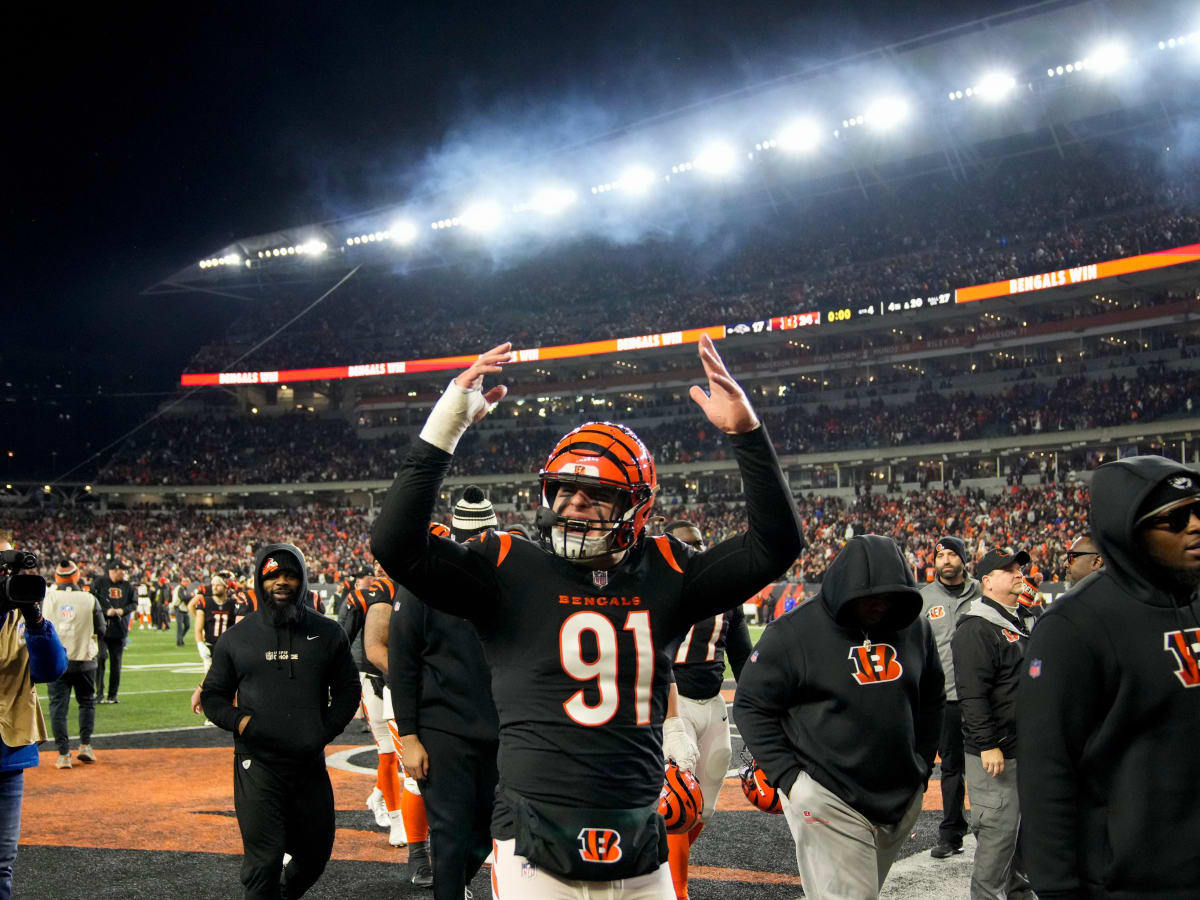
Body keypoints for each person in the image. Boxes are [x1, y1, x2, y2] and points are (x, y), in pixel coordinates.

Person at [370, 336, 802, 898]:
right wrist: (449, 420)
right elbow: (396, 544)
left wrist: (748, 436)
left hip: (638, 826)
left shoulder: (667, 569)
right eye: (564, 490)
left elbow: (775, 544)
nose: (574, 503)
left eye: (595, 493)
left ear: (636, 505)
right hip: (534, 835)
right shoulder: (507, 565)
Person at [1018, 459, 1200, 898]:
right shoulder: (1074, 625)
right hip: (1127, 883)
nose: (1195, 526)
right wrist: (1059, 889)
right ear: (1129, 530)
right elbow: (1046, 771)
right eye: (1174, 519)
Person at [734, 534, 944, 900]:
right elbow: (751, 704)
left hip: (900, 795)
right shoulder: (792, 633)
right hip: (828, 794)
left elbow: (932, 697)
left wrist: (922, 766)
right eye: (869, 597)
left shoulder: (914, 627)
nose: (879, 607)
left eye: (888, 596)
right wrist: (792, 780)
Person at [200, 544, 359, 900]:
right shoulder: (237, 638)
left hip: (308, 765)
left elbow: (349, 690)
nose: (281, 582)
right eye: (272, 575)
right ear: (260, 581)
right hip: (258, 765)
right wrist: (242, 724)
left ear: (302, 581)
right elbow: (213, 696)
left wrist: (325, 730)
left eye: (290, 575)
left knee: (315, 855)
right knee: (263, 862)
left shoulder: (327, 633)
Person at [390, 487, 502, 900]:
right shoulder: (424, 583)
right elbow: (403, 663)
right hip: (443, 731)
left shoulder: (507, 579)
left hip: (499, 728)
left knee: (493, 826)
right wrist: (411, 736)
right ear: (455, 536)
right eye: (471, 537)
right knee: (451, 832)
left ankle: (454, 886)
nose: (477, 544)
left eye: (484, 535)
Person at [660, 520, 752, 900]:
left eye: (699, 543)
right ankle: (677, 890)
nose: (696, 550)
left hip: (713, 703)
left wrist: (759, 705)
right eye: (686, 544)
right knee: (678, 797)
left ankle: (658, 862)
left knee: (704, 806)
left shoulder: (725, 594)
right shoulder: (661, 590)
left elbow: (743, 657)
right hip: (673, 701)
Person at [952, 547, 1037, 900]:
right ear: (987, 581)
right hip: (996, 753)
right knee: (997, 841)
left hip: (1023, 749)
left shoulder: (1021, 619)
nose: (1019, 573)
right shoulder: (976, 628)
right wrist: (988, 744)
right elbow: (972, 695)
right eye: (1009, 570)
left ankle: (1019, 895)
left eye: (1019, 568)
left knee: (1021, 840)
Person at [0, 528, 67, 900]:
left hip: (7, 755)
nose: (6, 574)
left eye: (8, 564)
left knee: (1, 864)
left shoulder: (20, 619)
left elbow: (51, 670)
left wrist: (37, 620)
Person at [363, 558, 434, 887]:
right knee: (415, 773)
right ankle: (418, 853)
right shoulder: (389, 588)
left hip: (454, 694)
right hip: (406, 693)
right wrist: (411, 679)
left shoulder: (453, 582)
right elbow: (375, 646)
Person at [337, 566, 410, 849]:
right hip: (376, 677)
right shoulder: (366, 596)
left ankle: (380, 794)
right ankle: (396, 818)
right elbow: (341, 638)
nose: (380, 566)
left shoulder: (427, 585)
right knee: (389, 752)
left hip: (417, 676)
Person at [918, 536, 980, 859]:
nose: (945, 560)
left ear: (964, 559)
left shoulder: (983, 593)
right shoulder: (924, 598)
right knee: (952, 769)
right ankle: (952, 833)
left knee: (989, 766)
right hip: (947, 699)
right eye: (940, 555)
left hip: (982, 696)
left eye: (952, 554)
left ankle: (992, 833)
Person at [42, 559, 106, 768]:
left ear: (57, 577)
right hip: (85, 660)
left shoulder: (48, 598)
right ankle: (85, 746)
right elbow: (101, 629)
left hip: (56, 662)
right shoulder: (89, 599)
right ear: (77, 576)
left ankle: (63, 755)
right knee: (87, 702)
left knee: (58, 708)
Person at [90, 557, 137, 704]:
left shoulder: (128, 587)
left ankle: (113, 694)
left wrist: (122, 610)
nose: (124, 573)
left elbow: (134, 603)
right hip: (101, 628)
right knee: (101, 658)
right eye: (122, 570)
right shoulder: (99, 583)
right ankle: (99, 693)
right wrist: (105, 611)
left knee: (116, 663)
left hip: (119, 628)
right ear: (114, 570)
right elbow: (91, 600)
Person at [193, 573, 238, 674]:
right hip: (211, 646)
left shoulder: (233, 604)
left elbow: (238, 627)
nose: (215, 587)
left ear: (225, 587)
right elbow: (198, 628)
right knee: (211, 683)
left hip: (228, 648)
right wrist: (200, 644)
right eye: (213, 585)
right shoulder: (205, 602)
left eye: (218, 584)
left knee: (230, 682)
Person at [172, 575, 193, 646]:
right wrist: (190, 596)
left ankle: (180, 638)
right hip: (179, 608)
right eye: (188, 582)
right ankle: (179, 642)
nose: (189, 583)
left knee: (187, 625)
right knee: (180, 627)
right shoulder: (180, 588)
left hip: (184, 609)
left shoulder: (183, 588)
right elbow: (182, 598)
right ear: (185, 582)